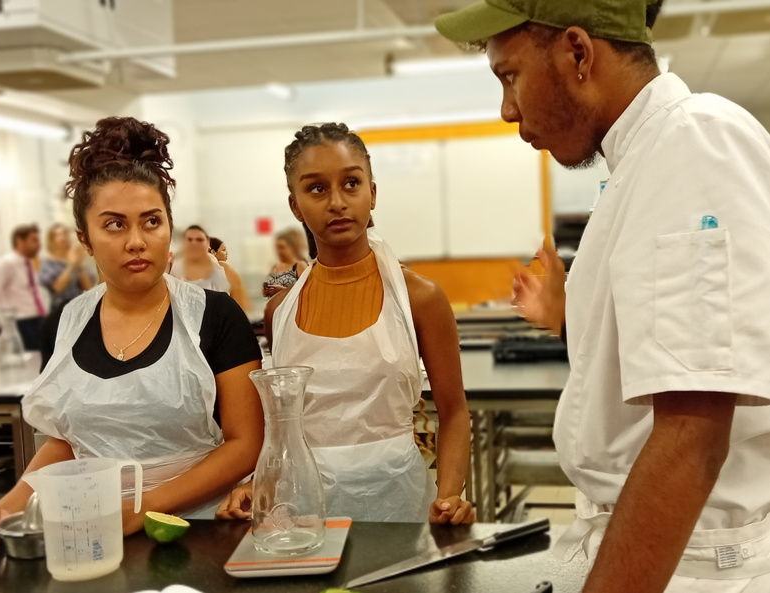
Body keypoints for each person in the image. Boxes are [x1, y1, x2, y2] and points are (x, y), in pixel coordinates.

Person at [436, 1, 770, 591]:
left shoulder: (694, 141)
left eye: (509, 75)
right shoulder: (644, 159)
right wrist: (573, 320)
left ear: (578, 53)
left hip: (688, 563)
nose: (507, 109)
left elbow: (691, 433)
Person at [0, 117, 264, 533]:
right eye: (115, 224)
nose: (136, 240)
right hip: (89, 530)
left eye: (151, 221)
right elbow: (68, 442)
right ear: (85, 239)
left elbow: (244, 444)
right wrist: (6, 509)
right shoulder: (65, 324)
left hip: (201, 529)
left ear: (168, 227)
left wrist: (144, 508)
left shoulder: (215, 316)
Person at [218, 123, 473, 525]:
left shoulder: (419, 298)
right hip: (303, 504)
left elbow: (454, 411)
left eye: (351, 184)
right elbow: (279, 423)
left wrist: (448, 495)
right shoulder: (280, 311)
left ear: (372, 194)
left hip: (400, 502)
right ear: (295, 206)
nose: (337, 202)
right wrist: (256, 481)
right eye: (317, 189)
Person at [0, 224, 46, 351]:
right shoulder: (7, 263)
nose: (39, 245)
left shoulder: (28, 263)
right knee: (30, 362)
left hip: (36, 320)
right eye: (34, 240)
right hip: (21, 323)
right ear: (20, 241)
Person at [38, 223, 95, 310]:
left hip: (80, 308)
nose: (62, 237)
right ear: (51, 240)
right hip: (59, 310)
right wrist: (72, 265)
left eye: (64, 234)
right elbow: (57, 288)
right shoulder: (47, 263)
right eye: (58, 235)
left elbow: (88, 288)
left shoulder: (75, 259)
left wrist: (78, 265)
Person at [169, 225, 231, 293]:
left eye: (199, 240)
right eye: (189, 240)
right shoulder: (177, 263)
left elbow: (223, 290)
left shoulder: (211, 260)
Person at [209, 237, 250, 313]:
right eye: (224, 250)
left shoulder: (222, 268)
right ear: (213, 252)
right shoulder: (223, 268)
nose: (227, 253)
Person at [262, 230, 307, 298]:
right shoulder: (275, 266)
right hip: (274, 307)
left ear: (292, 247)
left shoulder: (300, 266)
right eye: (276, 247)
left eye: (282, 247)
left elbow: (307, 292)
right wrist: (266, 291)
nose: (278, 251)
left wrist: (283, 291)